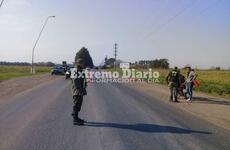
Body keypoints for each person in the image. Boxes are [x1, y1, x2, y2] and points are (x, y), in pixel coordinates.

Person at [71, 58, 87, 125]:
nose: (83, 64)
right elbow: (75, 82)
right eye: (82, 63)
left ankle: (75, 115)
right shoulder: (76, 71)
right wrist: (79, 90)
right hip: (77, 91)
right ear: (78, 63)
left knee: (78, 104)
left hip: (79, 90)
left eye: (83, 63)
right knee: (77, 104)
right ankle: (75, 119)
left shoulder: (80, 70)